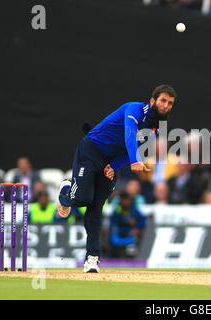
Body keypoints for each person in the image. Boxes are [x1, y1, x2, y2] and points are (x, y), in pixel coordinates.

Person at [57, 84, 177, 273]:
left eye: (170, 103)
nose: (166, 106)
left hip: (109, 161)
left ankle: (92, 258)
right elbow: (129, 135)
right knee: (82, 198)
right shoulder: (134, 109)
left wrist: (114, 166)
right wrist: (135, 160)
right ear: (153, 100)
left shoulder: (153, 128)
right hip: (90, 151)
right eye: (163, 101)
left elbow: (128, 148)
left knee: (96, 208)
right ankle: (66, 191)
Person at [109, 192, 146, 258]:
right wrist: (125, 221)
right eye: (123, 200)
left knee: (133, 245)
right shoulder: (117, 211)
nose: (125, 202)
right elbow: (113, 224)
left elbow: (142, 221)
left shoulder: (134, 210)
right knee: (112, 240)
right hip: (120, 234)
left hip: (131, 235)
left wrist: (137, 227)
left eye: (126, 200)